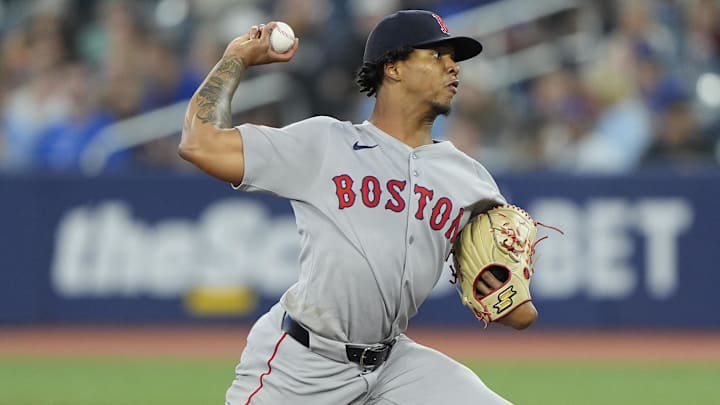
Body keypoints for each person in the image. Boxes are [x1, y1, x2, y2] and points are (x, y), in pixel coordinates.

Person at [179, 10, 537, 404]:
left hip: (392, 365)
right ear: (394, 68)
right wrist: (237, 57)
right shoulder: (325, 144)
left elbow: (516, 311)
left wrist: (510, 297)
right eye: (437, 56)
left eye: (454, 58)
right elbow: (200, 143)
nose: (453, 67)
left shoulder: (470, 179)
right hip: (302, 365)